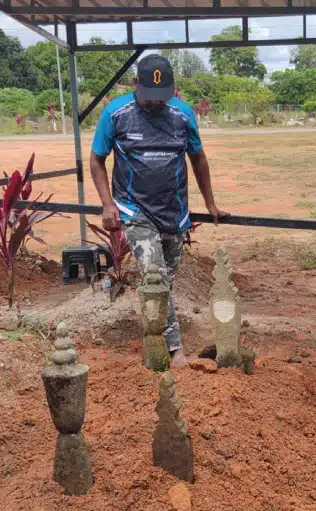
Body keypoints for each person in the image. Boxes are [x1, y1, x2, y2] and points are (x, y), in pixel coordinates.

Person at [90, 54, 227, 367]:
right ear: (135, 84)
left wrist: (210, 203)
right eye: (149, 98)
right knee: (155, 276)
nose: (155, 104)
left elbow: (199, 159)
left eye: (161, 98)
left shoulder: (182, 114)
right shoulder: (116, 113)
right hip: (134, 209)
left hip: (174, 213)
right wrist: (108, 204)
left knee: (164, 283)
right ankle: (175, 351)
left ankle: (154, 341)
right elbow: (97, 160)